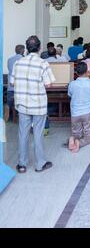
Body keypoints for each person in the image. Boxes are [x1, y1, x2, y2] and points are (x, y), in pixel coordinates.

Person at [11, 35, 55, 173]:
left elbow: (12, 82)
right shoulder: (43, 63)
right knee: (38, 133)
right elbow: (48, 83)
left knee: (22, 133)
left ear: (26, 48)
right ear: (40, 47)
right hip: (38, 105)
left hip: (23, 104)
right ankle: (40, 163)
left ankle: (22, 164)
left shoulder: (18, 63)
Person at [67, 62, 90, 152]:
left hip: (75, 113)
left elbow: (69, 95)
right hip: (87, 113)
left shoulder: (72, 84)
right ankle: (79, 143)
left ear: (76, 72)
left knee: (77, 133)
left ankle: (73, 138)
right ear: (87, 71)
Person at [7, 44, 25, 120]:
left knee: (10, 102)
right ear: (23, 50)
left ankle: (9, 116)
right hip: (21, 87)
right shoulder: (24, 59)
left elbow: (10, 70)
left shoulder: (10, 59)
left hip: (11, 87)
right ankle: (20, 115)